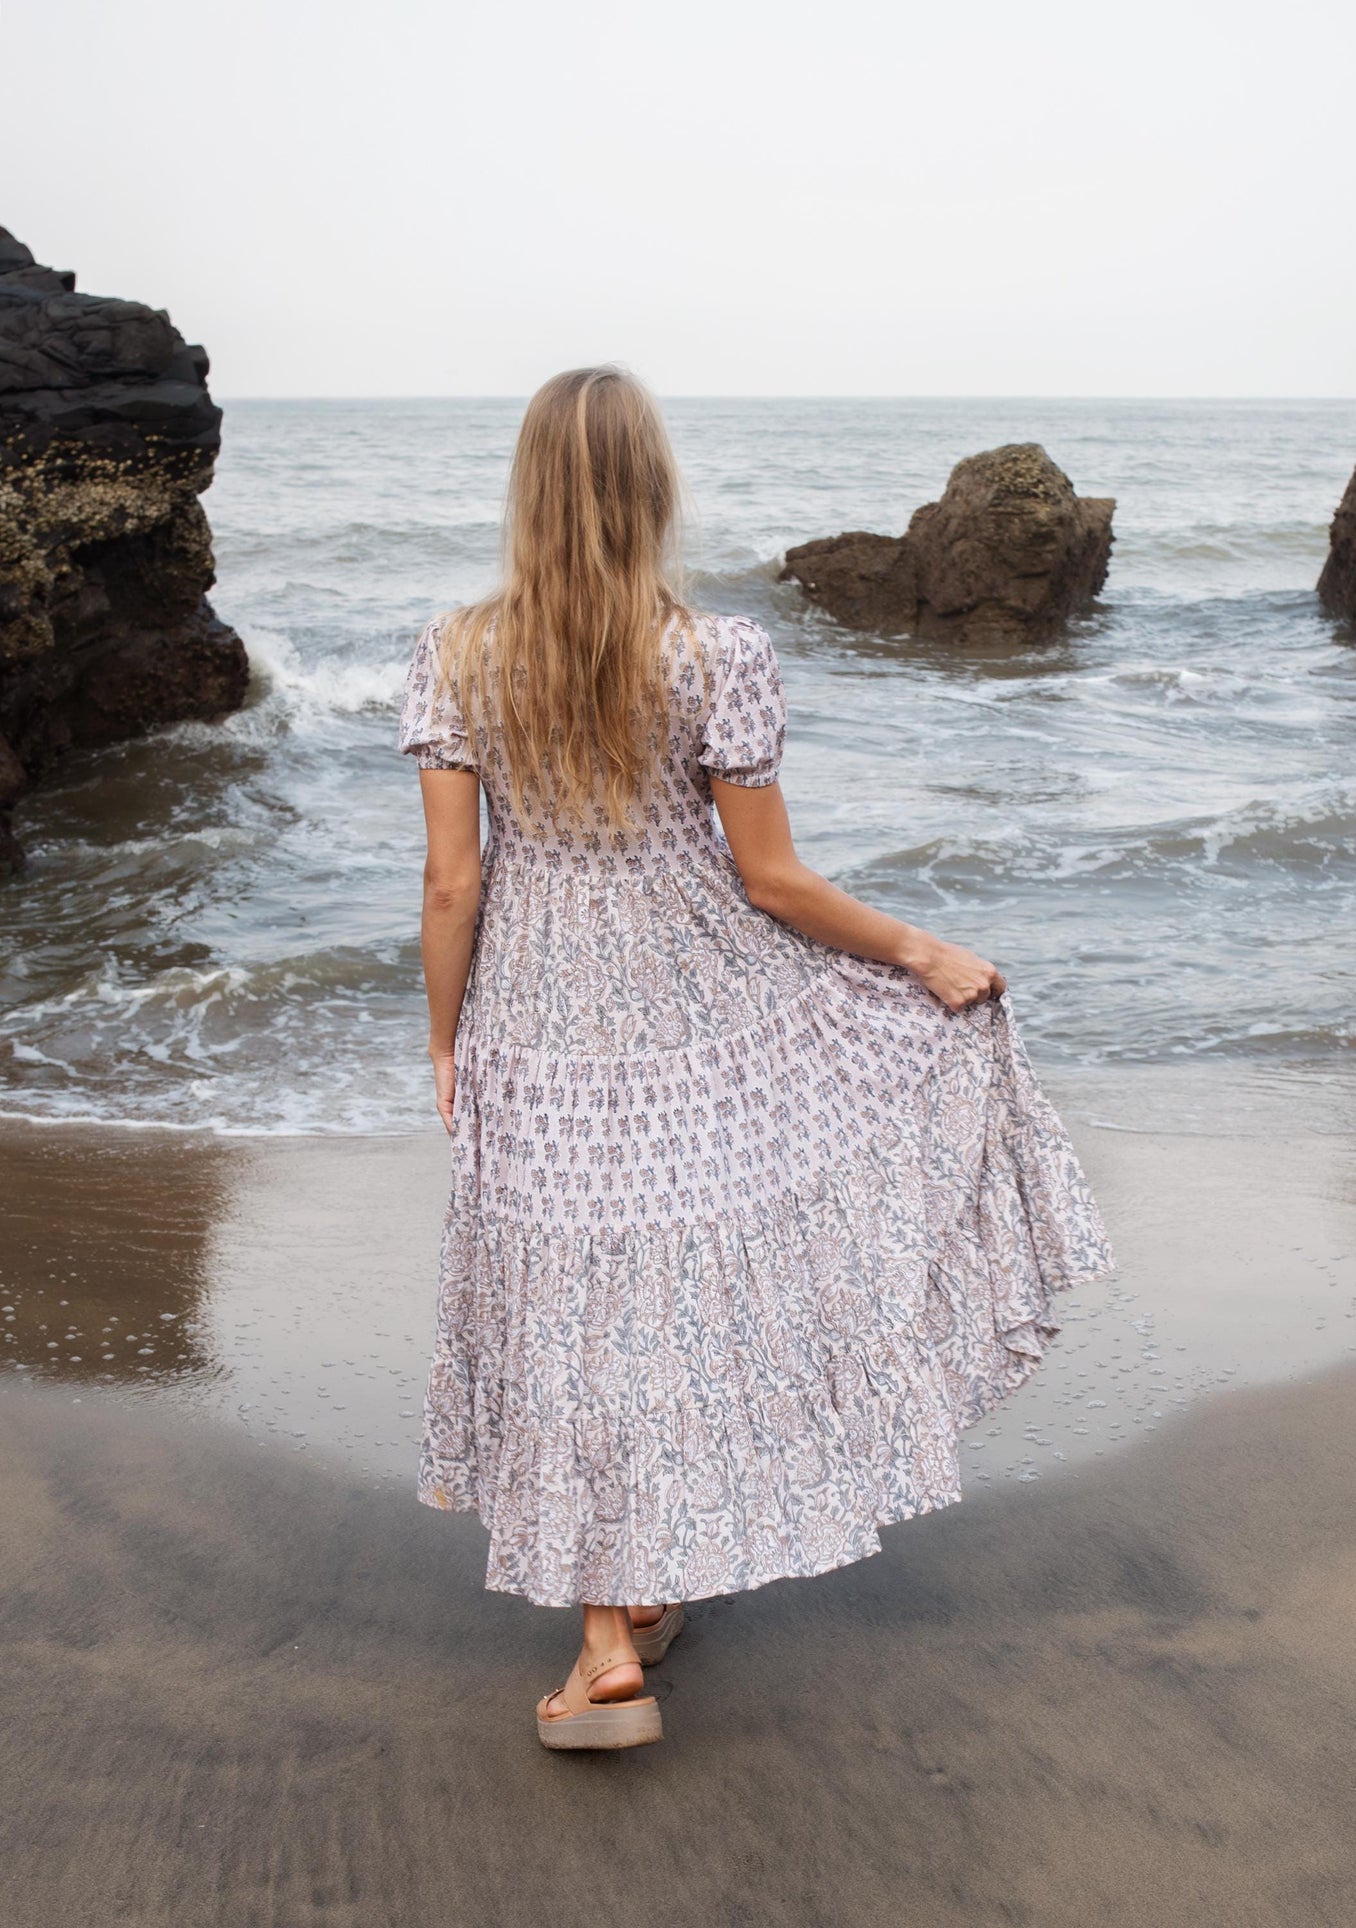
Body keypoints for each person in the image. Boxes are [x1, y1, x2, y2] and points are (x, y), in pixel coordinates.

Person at [398, 365, 1112, 1751]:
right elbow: (772, 883)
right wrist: (917, 953)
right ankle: (625, 1603)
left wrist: (445, 1036)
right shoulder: (715, 652)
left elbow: (450, 885)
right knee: (664, 1290)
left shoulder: (457, 653)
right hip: (700, 1028)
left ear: (527, 492)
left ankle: (608, 1635)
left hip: (537, 1027)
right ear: (651, 489)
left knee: (566, 1301)